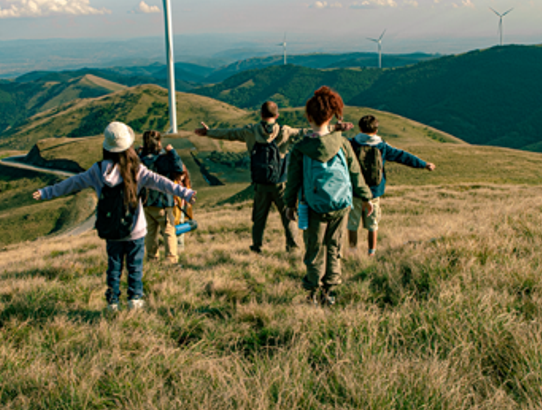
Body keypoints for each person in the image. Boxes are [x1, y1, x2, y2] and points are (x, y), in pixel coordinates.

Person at [32, 121, 196, 311]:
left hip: (111, 228)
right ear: (129, 146)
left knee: (114, 265)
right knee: (135, 266)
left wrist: (47, 192)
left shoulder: (98, 170)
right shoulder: (137, 169)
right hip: (135, 228)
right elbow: (161, 182)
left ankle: (112, 301)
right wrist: (184, 193)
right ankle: (135, 298)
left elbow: (73, 182)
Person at [195, 101, 352, 254]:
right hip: (281, 182)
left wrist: (208, 132)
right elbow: (307, 131)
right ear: (277, 115)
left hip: (260, 183)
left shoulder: (250, 131)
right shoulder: (285, 131)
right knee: (288, 217)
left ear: (261, 114)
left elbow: (229, 134)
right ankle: (293, 247)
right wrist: (335, 127)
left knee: (259, 218)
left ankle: (257, 246)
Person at [284, 87, 372, 306]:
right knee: (334, 247)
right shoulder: (342, 143)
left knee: (314, 249)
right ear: (332, 116)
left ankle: (312, 292)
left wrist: (289, 204)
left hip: (313, 206)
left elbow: (293, 179)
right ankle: (329, 292)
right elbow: (354, 172)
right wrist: (366, 197)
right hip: (341, 204)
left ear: (309, 116)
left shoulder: (301, 148)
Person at [348, 114, 436, 256]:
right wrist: (423, 164)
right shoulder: (382, 146)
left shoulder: (351, 144)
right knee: (372, 224)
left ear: (360, 128)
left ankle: (352, 252)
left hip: (355, 191)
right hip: (374, 192)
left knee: (352, 223)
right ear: (376, 130)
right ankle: (371, 253)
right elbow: (403, 156)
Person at [138, 130, 186, 265]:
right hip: (163, 202)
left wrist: (140, 153)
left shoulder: (141, 161)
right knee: (169, 231)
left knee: (150, 234)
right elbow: (178, 168)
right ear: (158, 143)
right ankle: (171, 260)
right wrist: (172, 152)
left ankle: (152, 260)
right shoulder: (162, 159)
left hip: (146, 203)